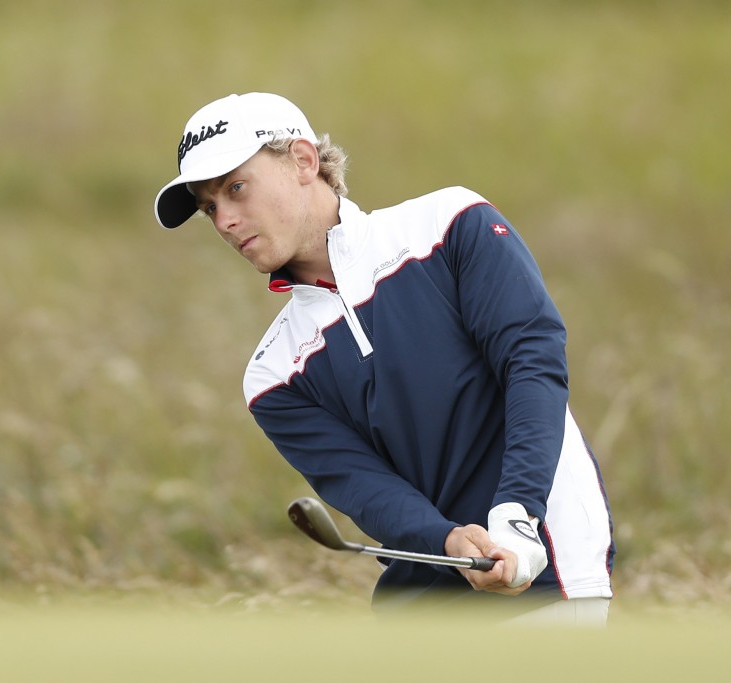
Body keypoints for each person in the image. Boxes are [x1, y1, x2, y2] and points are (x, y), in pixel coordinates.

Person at [153, 92, 615, 624]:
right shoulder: (273, 374)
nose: (225, 222)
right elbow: (367, 490)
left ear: (304, 161)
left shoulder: (449, 225)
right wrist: (446, 541)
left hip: (548, 565)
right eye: (210, 207)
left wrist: (517, 514)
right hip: (420, 604)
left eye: (236, 188)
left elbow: (533, 365)